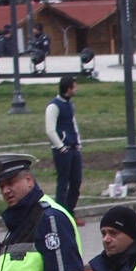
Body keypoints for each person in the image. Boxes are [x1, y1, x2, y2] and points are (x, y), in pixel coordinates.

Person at [45, 75, 84, 213]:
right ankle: (61, 213)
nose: (76, 89)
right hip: (63, 151)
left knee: (76, 182)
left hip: (74, 148)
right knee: (63, 182)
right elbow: (50, 130)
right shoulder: (53, 106)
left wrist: (78, 142)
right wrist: (60, 147)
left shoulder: (70, 104)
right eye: (74, 87)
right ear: (68, 89)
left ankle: (70, 211)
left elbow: (73, 124)